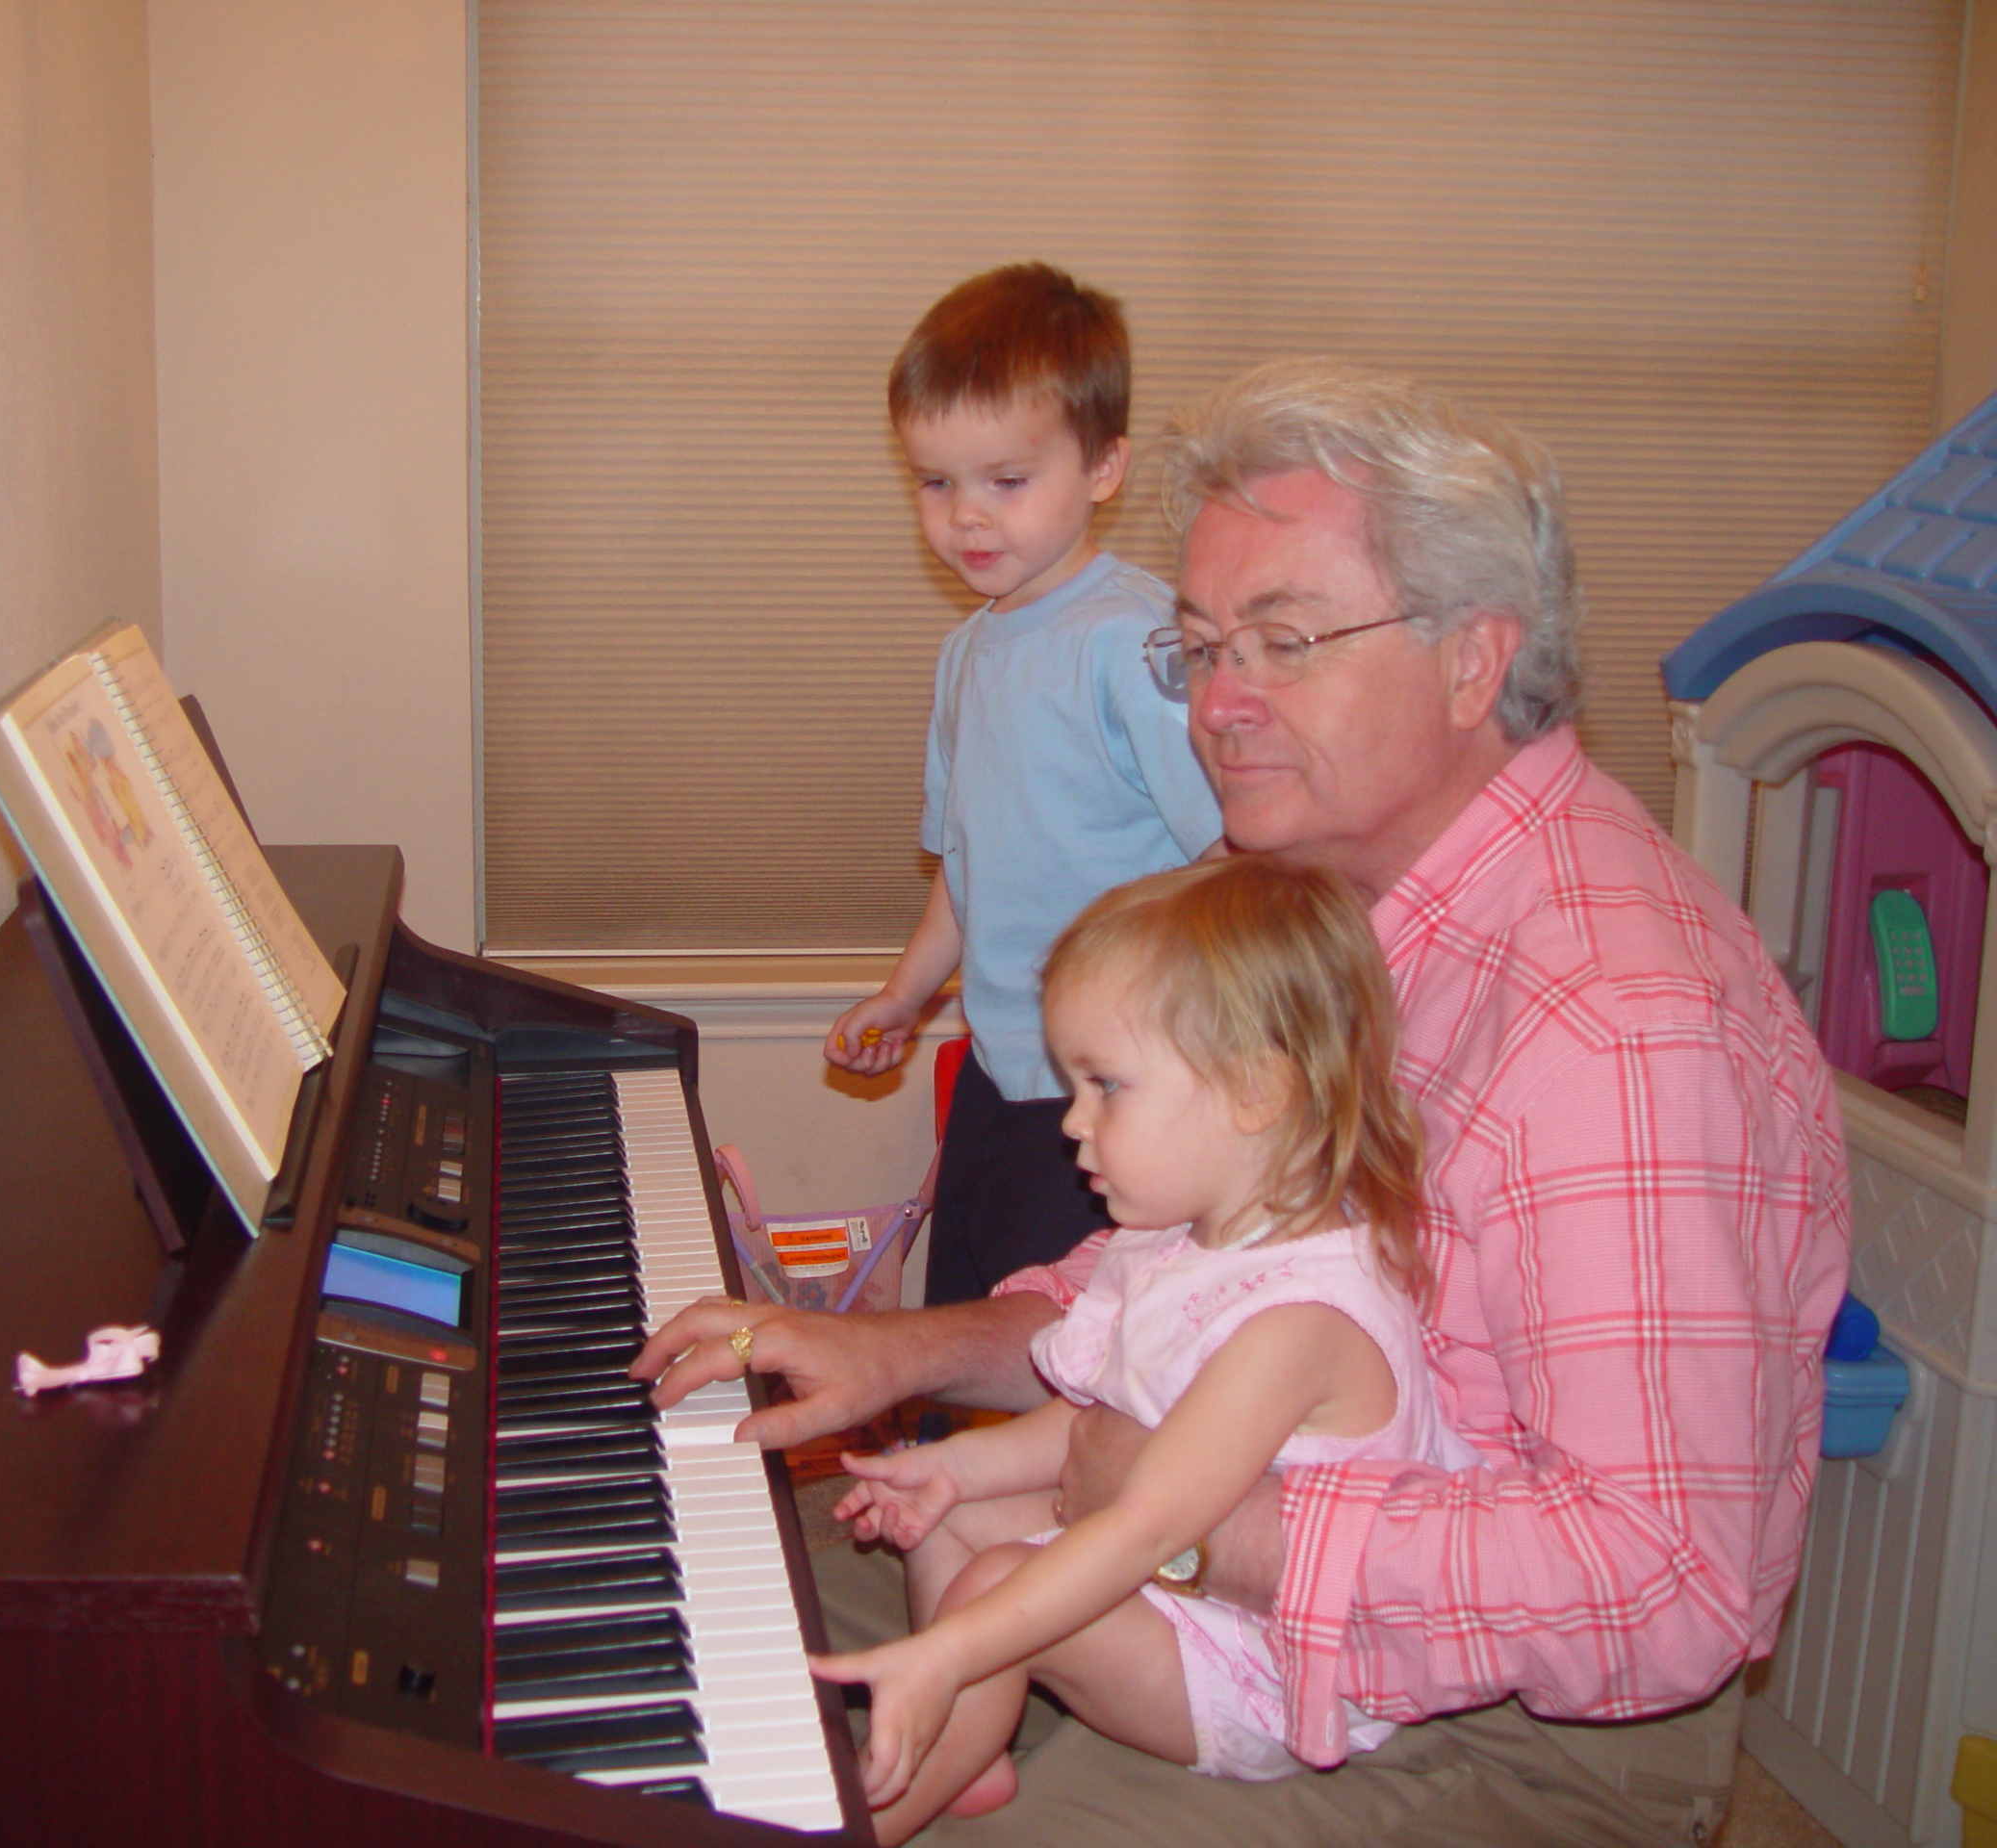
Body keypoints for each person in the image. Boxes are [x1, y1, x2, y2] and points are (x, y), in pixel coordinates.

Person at [635, 359, 1850, 1845]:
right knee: (692, 1582)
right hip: (1203, 1556)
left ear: (1475, 662)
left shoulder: (1616, 1027)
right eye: (1200, 648)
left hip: (1508, 1735)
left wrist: (1178, 1518)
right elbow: (1159, 1291)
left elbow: (1661, 1590)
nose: (1222, 704)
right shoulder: (1328, 912)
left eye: (1284, 641)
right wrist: (888, 1356)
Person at [813, 857, 1479, 1843]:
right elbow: (1094, 1422)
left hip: (1264, 1663)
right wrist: (948, 1469)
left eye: (1105, 1086)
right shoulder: (1171, 1238)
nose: (1073, 1123)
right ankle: (972, 1751)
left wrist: (951, 1647)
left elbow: (1139, 1526)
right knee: (957, 1526)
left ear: (1256, 1091)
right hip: (1174, 1575)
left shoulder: (1301, 1320)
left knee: (994, 1588)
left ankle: (874, 1817)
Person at [823, 262, 1222, 1303]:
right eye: (935, 482)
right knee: (963, 1309)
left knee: (1073, 1342)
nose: (967, 519)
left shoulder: (1131, 642)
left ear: (1103, 468)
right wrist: (909, 994)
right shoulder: (965, 656)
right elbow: (967, 862)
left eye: (1007, 481)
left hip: (1120, 1079)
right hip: (1002, 1065)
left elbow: (1228, 859)